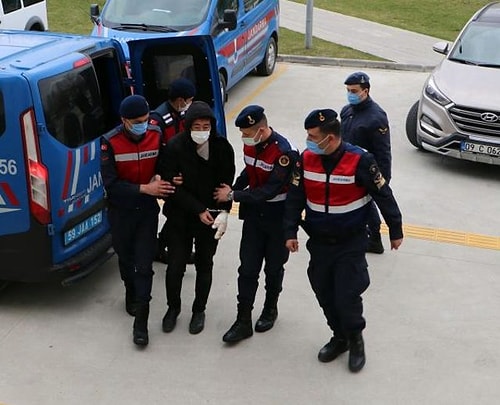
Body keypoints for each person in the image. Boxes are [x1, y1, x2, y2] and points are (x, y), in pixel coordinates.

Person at [283, 109, 403, 372]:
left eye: (313, 136)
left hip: (350, 241)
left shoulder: (360, 160)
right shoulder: (306, 159)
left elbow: (383, 194)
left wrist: (395, 229)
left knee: (347, 295)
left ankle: (355, 339)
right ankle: (339, 336)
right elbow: (295, 196)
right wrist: (290, 231)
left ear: (331, 138)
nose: (309, 140)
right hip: (320, 241)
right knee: (323, 291)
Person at [214, 105, 299, 344]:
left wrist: (233, 197)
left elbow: (269, 190)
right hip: (254, 218)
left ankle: (270, 309)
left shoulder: (284, 152)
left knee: (273, 268)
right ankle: (243, 321)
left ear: (261, 130)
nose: (244, 137)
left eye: (248, 132)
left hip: (277, 217)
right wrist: (235, 188)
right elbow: (249, 172)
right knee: (247, 269)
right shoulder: (251, 144)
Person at [100, 95, 176, 347]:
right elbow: (111, 185)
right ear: (124, 121)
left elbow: (165, 163)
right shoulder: (110, 142)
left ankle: (140, 323)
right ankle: (130, 291)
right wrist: (145, 188)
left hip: (146, 212)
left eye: (145, 119)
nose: (143, 124)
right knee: (126, 257)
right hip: (121, 211)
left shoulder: (156, 133)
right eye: (137, 121)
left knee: (144, 265)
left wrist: (162, 176)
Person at [157, 101, 235, 335]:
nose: (202, 130)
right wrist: (198, 209)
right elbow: (171, 185)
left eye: (206, 125)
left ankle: (199, 310)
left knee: (205, 264)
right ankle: (173, 309)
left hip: (209, 219)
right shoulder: (174, 147)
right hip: (181, 216)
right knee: (175, 265)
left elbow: (225, 185)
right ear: (188, 126)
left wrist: (224, 212)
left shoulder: (222, 147)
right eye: (197, 126)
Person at [340, 71, 392, 254]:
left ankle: (374, 238)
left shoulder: (376, 117)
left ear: (366, 91)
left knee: (367, 204)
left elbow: (383, 150)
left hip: (367, 170)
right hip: (348, 168)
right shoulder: (347, 111)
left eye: (354, 91)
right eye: (348, 90)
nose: (350, 94)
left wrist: (383, 177)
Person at [150, 78, 196, 264]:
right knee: (179, 215)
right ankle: (163, 248)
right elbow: (154, 154)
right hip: (167, 176)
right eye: (189, 99)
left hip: (182, 174)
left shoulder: (183, 115)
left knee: (182, 214)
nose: (189, 103)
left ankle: (160, 246)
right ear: (180, 100)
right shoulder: (159, 120)